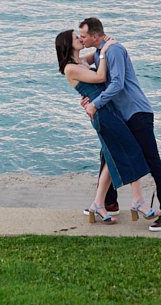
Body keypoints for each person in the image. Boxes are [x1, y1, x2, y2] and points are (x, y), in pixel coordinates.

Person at [78, 17, 161, 231]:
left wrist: (94, 104)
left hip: (136, 113)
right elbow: (81, 64)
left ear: (95, 36)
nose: (81, 39)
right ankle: (109, 202)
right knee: (107, 154)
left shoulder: (113, 51)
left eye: (84, 36)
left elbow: (117, 84)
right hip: (121, 115)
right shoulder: (101, 51)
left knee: (152, 162)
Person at [54, 30, 154, 224]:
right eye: (76, 37)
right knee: (130, 149)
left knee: (110, 156)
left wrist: (106, 43)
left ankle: (98, 204)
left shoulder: (80, 62)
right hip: (103, 114)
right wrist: (104, 50)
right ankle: (138, 201)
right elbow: (100, 77)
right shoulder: (70, 68)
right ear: (68, 44)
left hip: (108, 110)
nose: (81, 39)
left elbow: (99, 51)